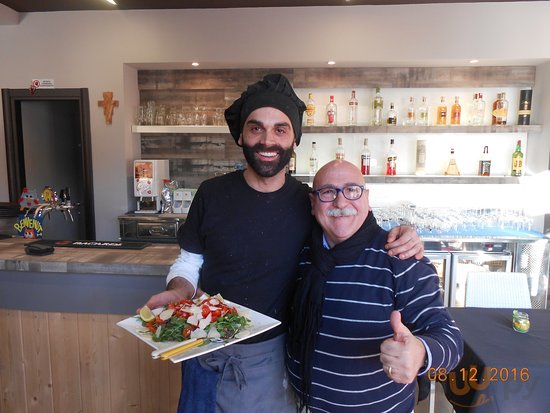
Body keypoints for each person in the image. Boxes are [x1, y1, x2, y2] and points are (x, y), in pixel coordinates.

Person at [142, 74, 425, 413]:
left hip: (272, 360)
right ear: (242, 135)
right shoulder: (211, 194)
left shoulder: (310, 202)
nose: (267, 140)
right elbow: (189, 262)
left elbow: (358, 225)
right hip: (204, 351)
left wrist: (405, 232)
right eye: (256, 127)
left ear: (294, 140)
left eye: (280, 129)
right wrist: (179, 291)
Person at [287, 160, 464, 413]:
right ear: (313, 204)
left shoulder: (401, 259)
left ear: (366, 199)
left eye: (352, 190)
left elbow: (450, 338)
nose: (340, 202)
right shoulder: (302, 253)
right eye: (327, 192)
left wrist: (421, 354)